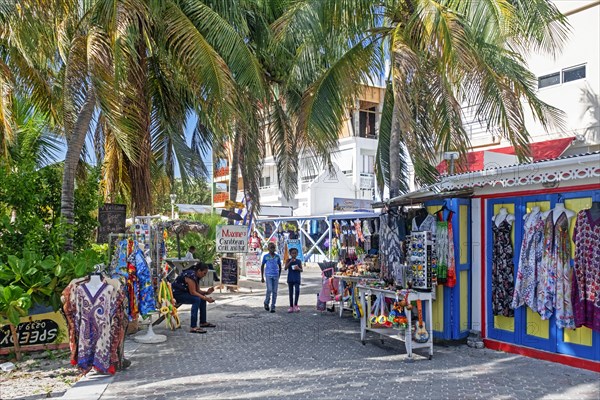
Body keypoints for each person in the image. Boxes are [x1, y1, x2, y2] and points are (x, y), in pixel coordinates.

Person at [172, 263, 216, 333]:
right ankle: (193, 326)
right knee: (196, 299)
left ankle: (203, 322)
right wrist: (206, 298)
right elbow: (193, 292)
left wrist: (207, 293)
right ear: (199, 271)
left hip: (184, 292)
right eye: (204, 273)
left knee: (201, 299)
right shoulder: (191, 275)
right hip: (178, 294)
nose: (204, 275)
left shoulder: (195, 275)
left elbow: (197, 290)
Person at [261, 242, 281, 313]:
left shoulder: (277, 257)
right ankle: (266, 302)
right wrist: (262, 277)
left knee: (275, 291)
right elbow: (262, 265)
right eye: (271, 248)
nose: (272, 250)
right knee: (269, 289)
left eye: (273, 248)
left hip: (275, 274)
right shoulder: (266, 256)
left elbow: (280, 266)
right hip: (268, 275)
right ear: (268, 249)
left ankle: (273, 306)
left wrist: (279, 275)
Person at [285, 248, 303, 313]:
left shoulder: (299, 261)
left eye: (295, 253)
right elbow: (285, 268)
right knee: (291, 292)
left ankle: (296, 304)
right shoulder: (288, 260)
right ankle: (291, 306)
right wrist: (290, 262)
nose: (294, 254)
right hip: (290, 278)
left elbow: (301, 270)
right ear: (290, 254)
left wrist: (298, 268)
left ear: (297, 254)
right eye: (293, 253)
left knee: (297, 291)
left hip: (297, 278)